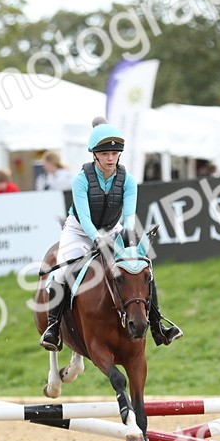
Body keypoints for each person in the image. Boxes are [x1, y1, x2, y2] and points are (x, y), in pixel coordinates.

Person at [39, 116, 183, 351]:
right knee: (62, 272)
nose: (110, 158)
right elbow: (84, 217)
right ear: (94, 155)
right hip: (79, 231)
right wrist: (96, 239)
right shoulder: (80, 180)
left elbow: (129, 215)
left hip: (113, 228)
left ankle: (157, 325)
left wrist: (125, 236)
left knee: (140, 267)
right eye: (105, 154)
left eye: (114, 154)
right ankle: (53, 328)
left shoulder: (128, 181)